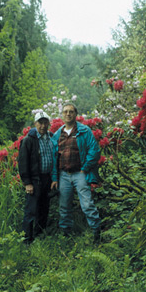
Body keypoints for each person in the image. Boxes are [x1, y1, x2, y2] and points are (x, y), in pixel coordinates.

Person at [51, 103, 102, 243]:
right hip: (63, 175)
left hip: (80, 173)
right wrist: (54, 177)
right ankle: (66, 234)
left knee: (87, 205)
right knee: (64, 206)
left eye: (71, 112)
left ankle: (96, 234)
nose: (68, 114)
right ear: (62, 115)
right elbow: (54, 158)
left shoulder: (84, 131)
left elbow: (94, 150)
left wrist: (85, 168)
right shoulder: (57, 135)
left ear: (75, 114)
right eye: (65, 112)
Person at [18, 111, 57, 244]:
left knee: (44, 208)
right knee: (31, 210)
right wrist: (27, 182)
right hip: (35, 180)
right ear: (35, 124)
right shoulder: (28, 140)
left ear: (48, 124)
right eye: (40, 123)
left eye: (45, 122)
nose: (43, 126)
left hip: (48, 179)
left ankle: (40, 234)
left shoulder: (51, 137)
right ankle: (27, 239)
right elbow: (23, 163)